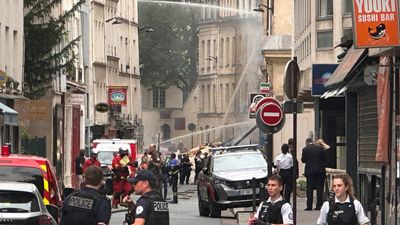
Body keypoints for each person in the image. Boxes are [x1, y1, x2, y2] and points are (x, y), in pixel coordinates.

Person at [301, 138, 326, 210]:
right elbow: (324, 159)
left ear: (307, 143)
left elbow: (303, 160)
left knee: (309, 189)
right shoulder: (320, 148)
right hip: (320, 171)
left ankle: (309, 206)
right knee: (319, 189)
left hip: (310, 171)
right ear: (312, 141)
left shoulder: (305, 149)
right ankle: (319, 205)